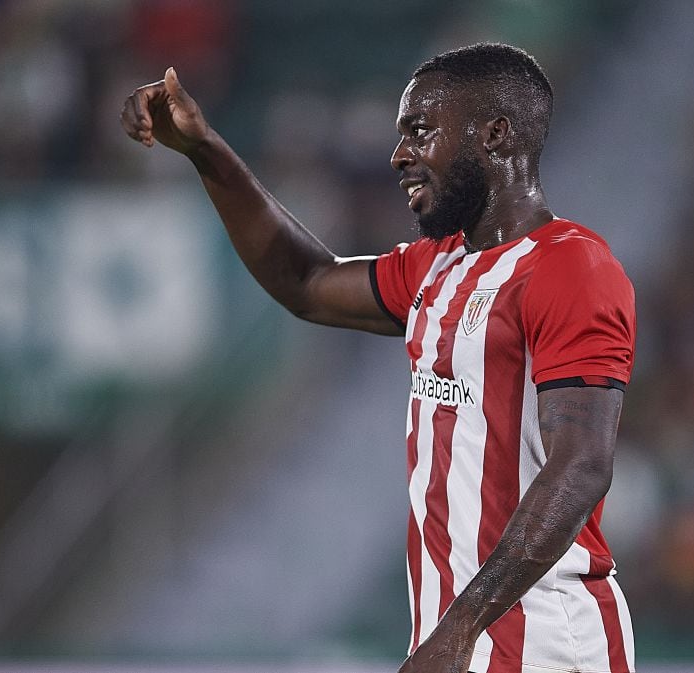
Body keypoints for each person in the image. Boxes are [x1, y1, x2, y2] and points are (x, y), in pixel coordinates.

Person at [122, 43, 636, 673]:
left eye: (420, 131)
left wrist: (459, 630)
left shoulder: (570, 266)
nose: (400, 157)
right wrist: (205, 151)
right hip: (466, 637)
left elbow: (582, 467)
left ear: (497, 135)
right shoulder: (438, 266)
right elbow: (306, 283)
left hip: (545, 642)